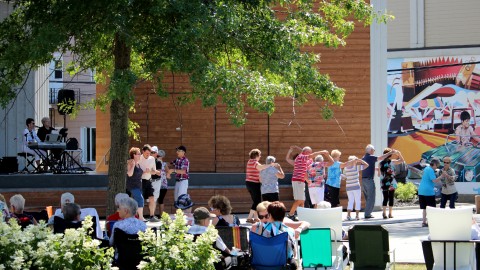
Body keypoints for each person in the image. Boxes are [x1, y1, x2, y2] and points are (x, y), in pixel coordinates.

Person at [253, 201, 299, 268]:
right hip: (282, 265)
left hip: (262, 264)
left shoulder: (260, 229)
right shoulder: (289, 230)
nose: (264, 219)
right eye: (261, 216)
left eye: (266, 216)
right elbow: (291, 253)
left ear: (270, 215)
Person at [288, 146, 327, 220]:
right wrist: (321, 152)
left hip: (300, 180)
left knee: (302, 200)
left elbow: (307, 154)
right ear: (306, 152)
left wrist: (306, 179)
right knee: (299, 199)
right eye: (310, 152)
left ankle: (301, 215)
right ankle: (290, 214)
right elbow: (310, 155)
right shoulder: (302, 156)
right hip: (298, 180)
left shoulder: (302, 156)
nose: (311, 154)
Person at [361, 144, 393, 219]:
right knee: (371, 197)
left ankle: (367, 212)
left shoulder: (364, 157)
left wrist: (377, 168)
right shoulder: (370, 157)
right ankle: (367, 214)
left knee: (367, 197)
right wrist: (390, 153)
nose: (374, 152)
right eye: (374, 150)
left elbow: (368, 167)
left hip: (363, 180)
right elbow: (381, 158)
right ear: (371, 150)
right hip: (369, 180)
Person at [244, 149, 271, 223]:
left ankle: (256, 218)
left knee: (255, 201)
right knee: (257, 201)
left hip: (249, 183)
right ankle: (249, 218)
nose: (260, 157)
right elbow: (261, 167)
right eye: (259, 155)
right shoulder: (254, 162)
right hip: (254, 183)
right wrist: (270, 165)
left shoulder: (250, 161)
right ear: (256, 155)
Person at [379, 149, 404, 219]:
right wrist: (399, 153)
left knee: (385, 197)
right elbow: (402, 161)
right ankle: (390, 213)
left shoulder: (380, 163)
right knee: (391, 198)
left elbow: (379, 174)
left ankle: (384, 213)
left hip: (383, 182)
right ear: (390, 155)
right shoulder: (392, 162)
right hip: (391, 182)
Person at [343, 156, 368, 221]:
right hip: (356, 187)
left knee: (350, 201)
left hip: (348, 187)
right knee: (357, 201)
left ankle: (348, 215)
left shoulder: (345, 168)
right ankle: (357, 216)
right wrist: (360, 160)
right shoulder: (356, 167)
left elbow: (344, 177)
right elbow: (366, 165)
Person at [138, 144, 160, 222]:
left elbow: (154, 171)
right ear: (143, 151)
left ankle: (152, 216)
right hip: (140, 180)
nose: (148, 155)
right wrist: (143, 172)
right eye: (146, 153)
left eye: (149, 153)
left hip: (148, 180)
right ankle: (140, 216)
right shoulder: (139, 158)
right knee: (140, 199)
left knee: (152, 198)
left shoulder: (152, 159)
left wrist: (149, 171)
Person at [418, 158, 442, 227]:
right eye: (437, 166)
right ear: (434, 164)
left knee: (424, 208)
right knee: (431, 208)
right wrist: (441, 176)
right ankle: (430, 222)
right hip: (428, 191)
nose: (436, 168)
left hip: (421, 190)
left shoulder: (426, 168)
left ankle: (423, 222)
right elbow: (434, 180)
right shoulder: (431, 170)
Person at [127, 147, 146, 221]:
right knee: (140, 199)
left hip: (139, 185)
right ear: (134, 155)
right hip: (133, 185)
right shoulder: (131, 162)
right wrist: (133, 165)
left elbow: (138, 174)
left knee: (136, 201)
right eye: (139, 154)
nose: (140, 155)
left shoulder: (138, 164)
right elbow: (129, 174)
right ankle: (141, 217)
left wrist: (146, 172)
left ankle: (135, 217)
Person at [150, 146, 170, 217]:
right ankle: (154, 215)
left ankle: (160, 215)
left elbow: (168, 172)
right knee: (155, 199)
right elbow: (168, 173)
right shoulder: (156, 162)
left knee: (160, 200)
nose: (158, 157)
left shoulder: (163, 164)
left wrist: (168, 175)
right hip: (158, 183)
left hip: (162, 184)